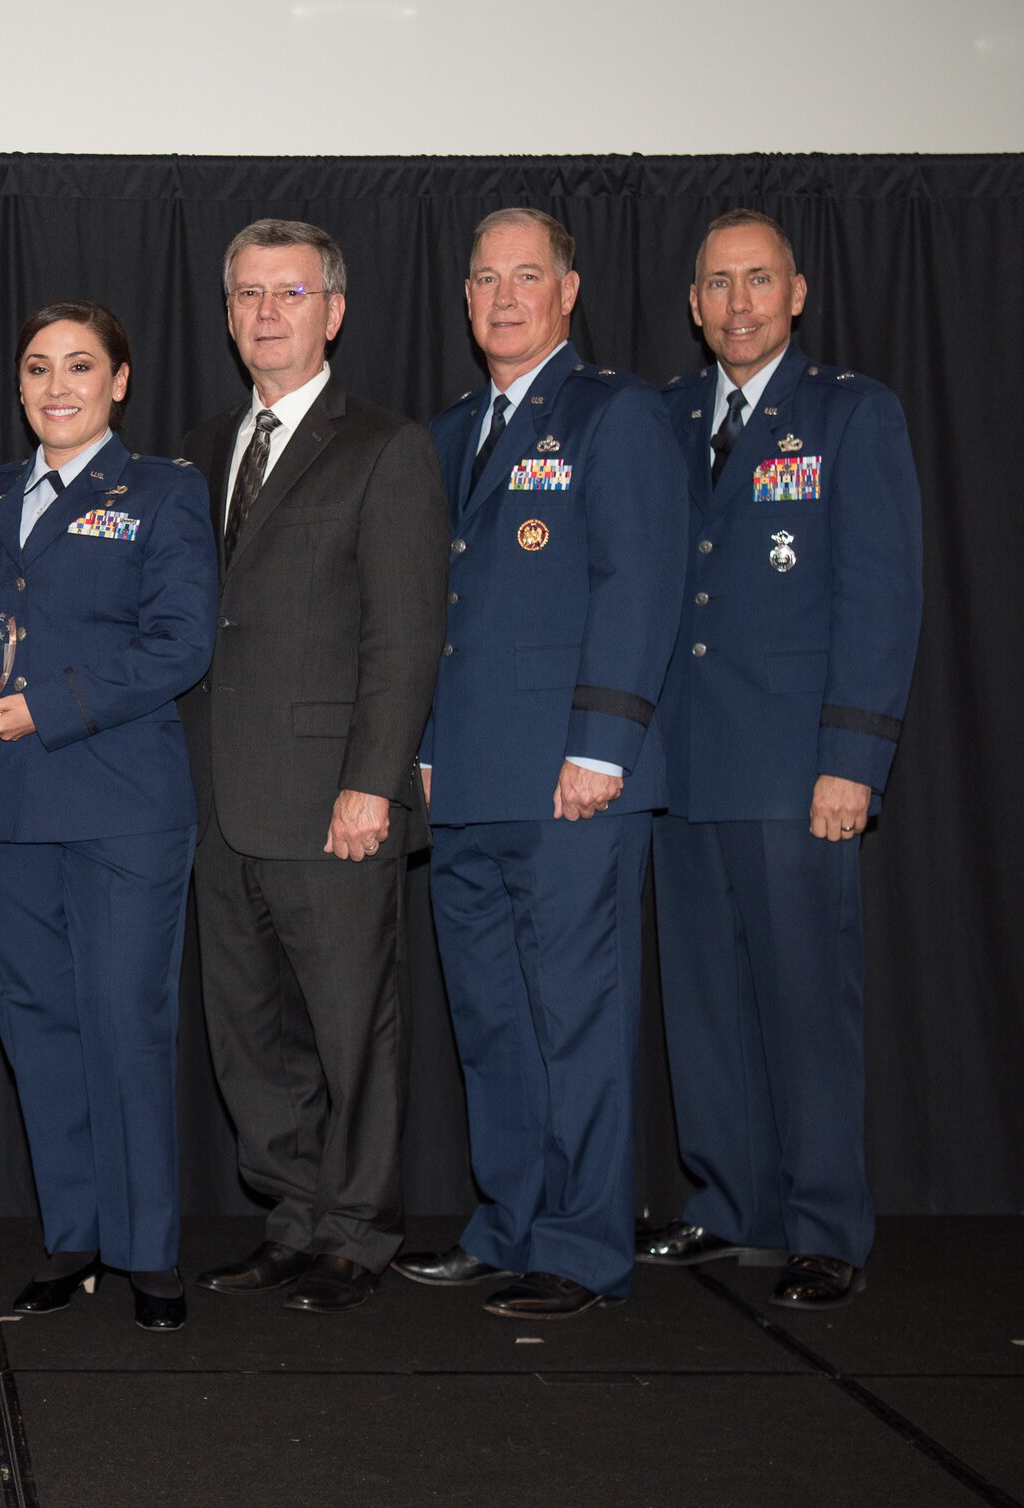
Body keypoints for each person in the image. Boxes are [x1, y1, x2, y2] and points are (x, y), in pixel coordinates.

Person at [390, 208, 682, 1319]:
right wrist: (420, 748)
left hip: (573, 782)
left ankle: (578, 1244)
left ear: (568, 290)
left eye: (526, 275)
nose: (503, 296)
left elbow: (638, 583)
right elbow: (434, 615)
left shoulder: (617, 415)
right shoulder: (451, 429)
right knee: (494, 1019)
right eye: (483, 279)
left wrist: (600, 746)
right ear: (463, 300)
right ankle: (505, 1220)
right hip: (463, 782)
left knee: (575, 1020)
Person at [637, 209, 923, 1310]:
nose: (738, 303)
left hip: (795, 766)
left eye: (757, 281)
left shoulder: (849, 414)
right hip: (683, 764)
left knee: (807, 1003)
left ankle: (822, 1224)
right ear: (694, 304)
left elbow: (879, 598)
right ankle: (730, 1203)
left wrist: (851, 757)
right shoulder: (661, 416)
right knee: (702, 1002)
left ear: (794, 294)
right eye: (717, 285)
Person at [179, 220, 449, 1314]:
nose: (264, 313)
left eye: (288, 293)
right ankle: (289, 1217)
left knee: (351, 1030)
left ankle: (357, 1228)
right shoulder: (199, 451)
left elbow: (405, 634)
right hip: (216, 799)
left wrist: (371, 781)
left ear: (331, 311)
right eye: (246, 293)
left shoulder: (385, 447)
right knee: (250, 1037)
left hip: (333, 798)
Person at [0, 301, 217, 1331]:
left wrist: (43, 708)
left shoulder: (162, 493)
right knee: (37, 1025)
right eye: (37, 368)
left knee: (123, 1022)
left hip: (117, 800)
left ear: (120, 380)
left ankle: (147, 1250)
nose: (56, 385)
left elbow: (180, 643)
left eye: (79, 366)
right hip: (0, 798)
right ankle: (73, 1231)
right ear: (17, 385)